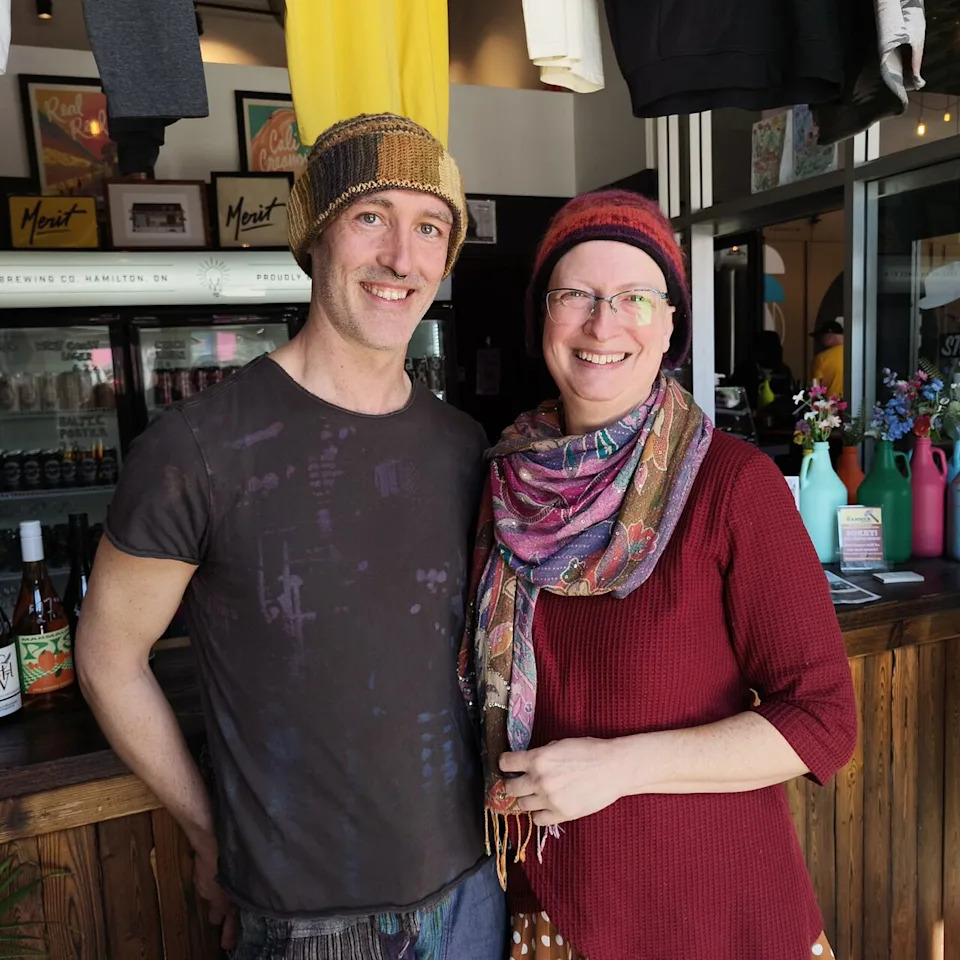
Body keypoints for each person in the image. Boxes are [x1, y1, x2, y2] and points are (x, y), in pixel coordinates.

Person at [76, 114, 506, 960]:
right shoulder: (198, 448)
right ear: (315, 237)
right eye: (371, 216)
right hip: (306, 920)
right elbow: (106, 657)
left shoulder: (463, 445)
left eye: (430, 227)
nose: (402, 258)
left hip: (472, 890)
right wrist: (206, 831)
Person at [458, 190, 858, 960]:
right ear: (542, 316)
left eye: (635, 297)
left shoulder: (731, 485)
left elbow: (824, 722)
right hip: (555, 907)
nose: (603, 324)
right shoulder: (504, 482)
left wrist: (619, 766)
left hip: (712, 919)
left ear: (671, 323)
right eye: (575, 295)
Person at [810, 317, 844, 396]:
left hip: (832, 402)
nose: (819, 341)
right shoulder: (856, 353)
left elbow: (816, 390)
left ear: (829, 336)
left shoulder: (821, 358)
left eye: (820, 338)